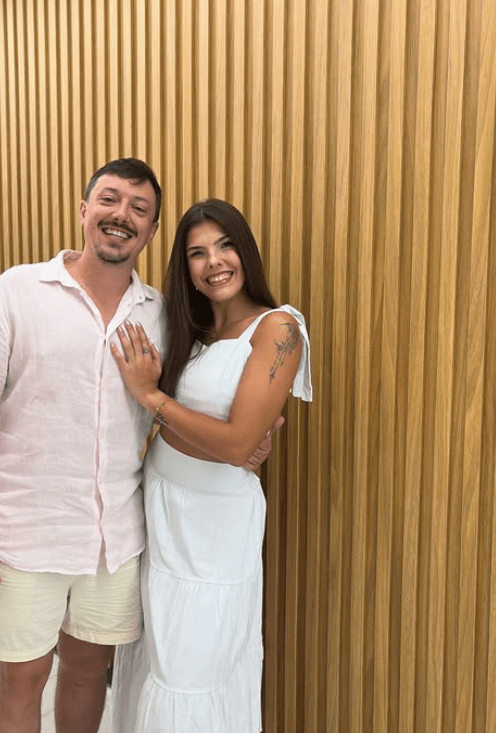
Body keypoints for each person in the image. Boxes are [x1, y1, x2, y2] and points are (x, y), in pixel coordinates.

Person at [0, 160, 276, 733]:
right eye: (110, 200)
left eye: (139, 209)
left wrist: (238, 445)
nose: (122, 216)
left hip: (115, 538)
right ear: (84, 210)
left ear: (151, 230)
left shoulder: (162, 317)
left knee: (90, 670)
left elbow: (177, 413)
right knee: (22, 677)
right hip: (23, 532)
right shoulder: (18, 292)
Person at [109, 198, 312, 733]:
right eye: (197, 253)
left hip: (215, 528)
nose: (214, 261)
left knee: (189, 671)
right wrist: (206, 435)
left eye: (225, 245)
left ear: (246, 251)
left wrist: (150, 396)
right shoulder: (189, 331)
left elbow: (237, 443)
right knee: (157, 657)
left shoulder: (277, 328)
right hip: (162, 510)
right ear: (186, 268)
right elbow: (208, 435)